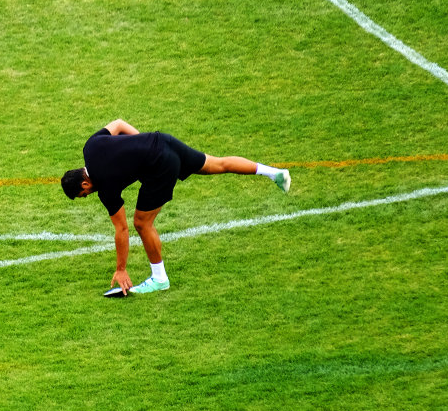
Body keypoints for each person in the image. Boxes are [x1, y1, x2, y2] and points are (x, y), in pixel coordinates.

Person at [60, 119, 290, 298]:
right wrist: (141, 144)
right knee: (217, 164)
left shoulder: (106, 188)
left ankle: (160, 279)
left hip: (160, 165)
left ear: (84, 183)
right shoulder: (90, 147)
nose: (88, 195)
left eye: (84, 194)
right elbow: (119, 124)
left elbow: (122, 230)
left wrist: (121, 269)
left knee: (142, 223)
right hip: (162, 141)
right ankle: (274, 173)